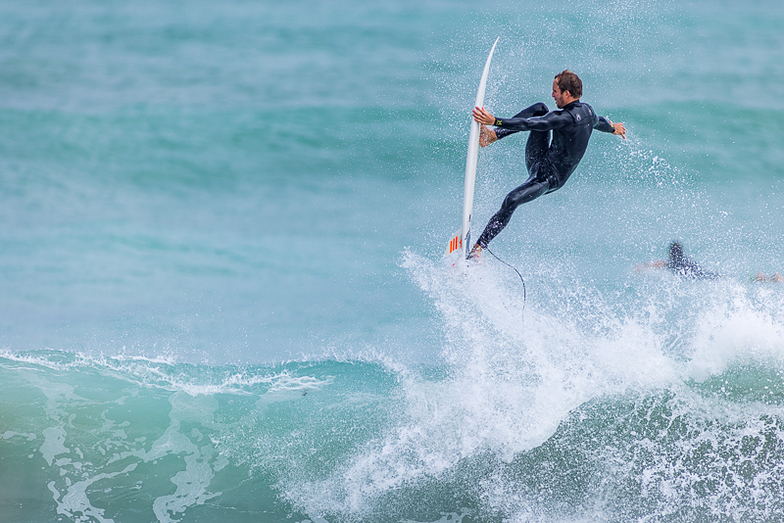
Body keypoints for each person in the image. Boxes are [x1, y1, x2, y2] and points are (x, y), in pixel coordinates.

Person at [467, 70, 626, 260]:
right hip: (541, 158)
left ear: (567, 94)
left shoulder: (563, 118)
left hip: (547, 179)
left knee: (511, 200)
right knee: (540, 108)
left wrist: (496, 120)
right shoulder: (588, 111)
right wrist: (612, 128)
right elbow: (598, 122)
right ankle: (491, 136)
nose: (552, 95)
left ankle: (478, 249)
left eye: (555, 91)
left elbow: (529, 124)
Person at [635, 241, 721, 280]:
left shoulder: (672, 262)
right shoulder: (687, 260)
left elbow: (659, 263)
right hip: (699, 273)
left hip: (690, 277)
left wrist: (643, 266)